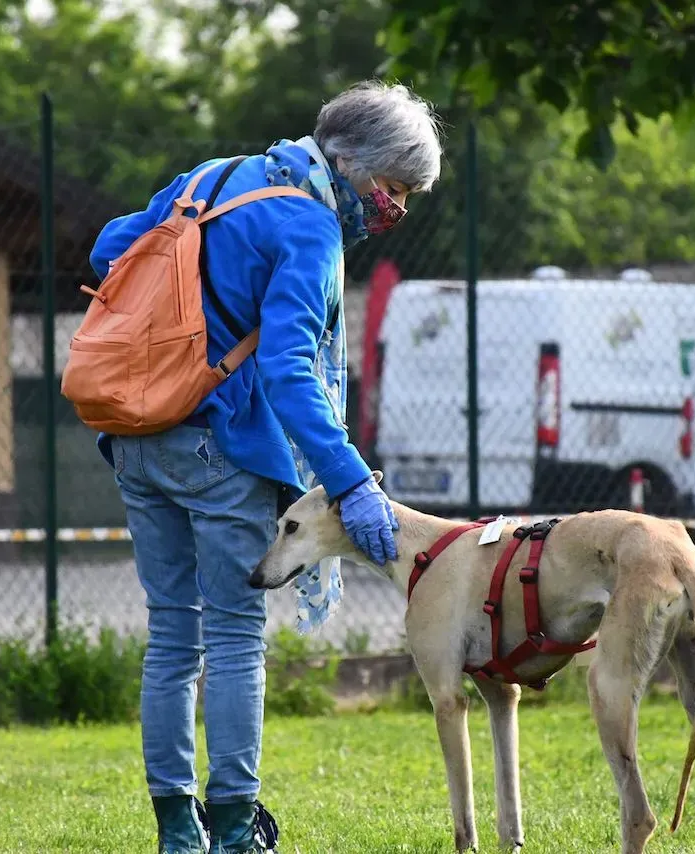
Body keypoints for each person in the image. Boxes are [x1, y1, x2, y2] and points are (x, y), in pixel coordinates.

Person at [86, 81, 444, 854]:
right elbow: (289, 372)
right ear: (348, 161)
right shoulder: (310, 227)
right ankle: (236, 831)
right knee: (238, 638)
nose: (395, 209)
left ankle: (179, 833)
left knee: (174, 637)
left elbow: (109, 249)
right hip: (218, 448)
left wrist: (193, 315)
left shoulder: (213, 177)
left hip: (136, 434)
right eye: (392, 187)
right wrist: (350, 482)